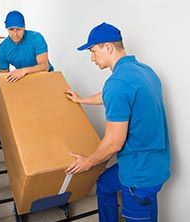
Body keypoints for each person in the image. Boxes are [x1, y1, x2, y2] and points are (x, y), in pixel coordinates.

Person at [65, 22, 170, 222]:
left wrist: (87, 162)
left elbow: (114, 142)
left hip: (139, 177)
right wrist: (81, 99)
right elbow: (114, 96)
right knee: (105, 184)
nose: (91, 58)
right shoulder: (143, 71)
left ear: (108, 47)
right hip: (153, 160)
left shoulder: (117, 83)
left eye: (93, 51)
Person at [0, 10, 54, 147]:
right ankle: (1, 134)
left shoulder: (36, 38)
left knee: (42, 109)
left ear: (24, 27)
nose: (15, 33)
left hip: (43, 77)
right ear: (7, 29)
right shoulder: (3, 49)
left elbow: (44, 66)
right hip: (23, 79)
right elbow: (4, 76)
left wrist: (24, 71)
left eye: (19, 29)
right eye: (11, 29)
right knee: (5, 103)